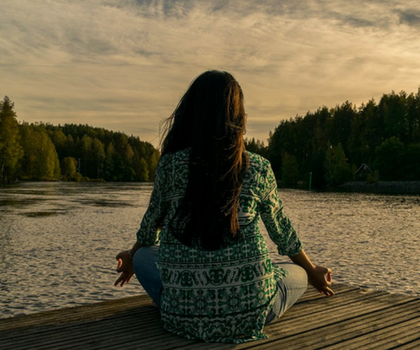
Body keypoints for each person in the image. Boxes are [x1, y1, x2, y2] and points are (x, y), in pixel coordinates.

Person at [114, 70, 333, 343]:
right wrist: (312, 272)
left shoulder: (170, 165)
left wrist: (132, 256)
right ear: (238, 117)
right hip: (253, 313)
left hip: (181, 317)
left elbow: (150, 229)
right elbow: (282, 232)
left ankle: (177, 300)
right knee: (297, 272)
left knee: (146, 254)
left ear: (191, 113)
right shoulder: (259, 167)